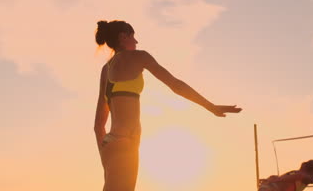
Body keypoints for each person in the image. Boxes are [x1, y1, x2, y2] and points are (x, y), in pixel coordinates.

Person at [94, 20, 242, 191]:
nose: (136, 41)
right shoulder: (139, 57)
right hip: (126, 143)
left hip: (109, 145)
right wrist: (210, 106)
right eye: (133, 36)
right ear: (122, 37)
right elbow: (176, 85)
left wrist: (106, 157)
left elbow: (99, 126)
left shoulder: (106, 69)